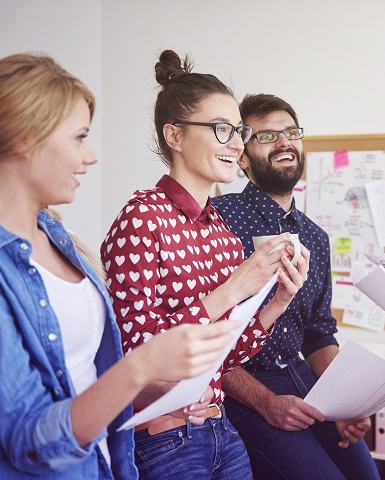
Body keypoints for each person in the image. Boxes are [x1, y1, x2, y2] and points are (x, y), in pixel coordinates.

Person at [0, 53, 237, 478]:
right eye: (79, 137)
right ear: (23, 138)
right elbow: (28, 437)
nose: (90, 156)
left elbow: (91, 378)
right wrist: (142, 367)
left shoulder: (57, 238)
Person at [100, 52, 309, 480]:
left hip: (219, 430)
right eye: (222, 130)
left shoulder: (221, 231)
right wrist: (232, 289)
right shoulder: (142, 218)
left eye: (239, 131)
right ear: (174, 136)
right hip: (161, 439)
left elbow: (225, 356)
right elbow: (135, 350)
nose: (237, 144)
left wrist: (278, 301)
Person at [212, 94, 380, 480]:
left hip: (304, 381)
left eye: (291, 132)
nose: (284, 142)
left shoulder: (315, 237)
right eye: (267, 135)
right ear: (242, 157)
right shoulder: (219, 221)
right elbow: (207, 338)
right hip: (242, 389)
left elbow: (319, 335)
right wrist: (268, 403)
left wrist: (347, 403)